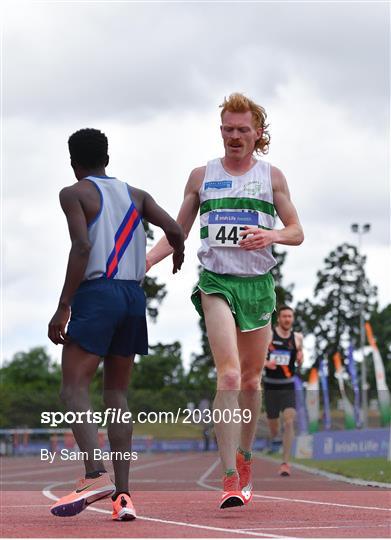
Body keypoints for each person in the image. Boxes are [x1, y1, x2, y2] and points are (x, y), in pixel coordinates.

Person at [146, 93, 304, 508]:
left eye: (242, 130)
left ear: (258, 133)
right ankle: (229, 477)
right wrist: (143, 263)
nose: (235, 137)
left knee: (251, 382)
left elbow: (296, 231)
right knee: (229, 377)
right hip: (216, 282)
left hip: (258, 286)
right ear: (221, 131)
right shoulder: (201, 176)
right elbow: (177, 233)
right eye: (228, 130)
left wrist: (271, 235)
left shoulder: (272, 178)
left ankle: (245, 456)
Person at [48, 128, 184, 520]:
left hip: (98, 294)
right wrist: (179, 252)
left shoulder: (74, 194)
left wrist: (63, 307)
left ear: (74, 162)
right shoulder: (136, 195)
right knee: (117, 396)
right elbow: (174, 229)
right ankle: (123, 497)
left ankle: (95, 473)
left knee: (73, 389)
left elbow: (83, 246)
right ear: (106, 157)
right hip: (132, 298)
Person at [263, 305, 304, 476]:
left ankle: (285, 463)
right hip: (271, 386)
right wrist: (267, 363)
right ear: (278, 319)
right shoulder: (269, 335)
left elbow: (300, 357)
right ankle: (276, 435)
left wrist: (301, 358)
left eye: (290, 316)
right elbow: (256, 356)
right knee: (274, 429)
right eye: (284, 316)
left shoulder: (298, 337)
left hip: (288, 385)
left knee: (289, 421)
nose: (288, 319)